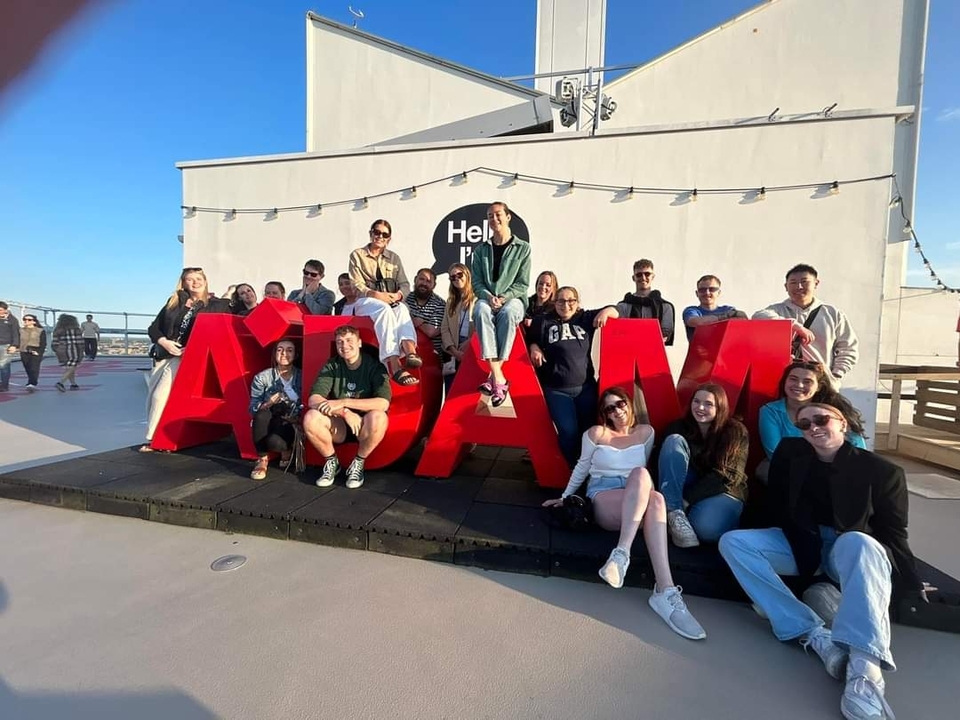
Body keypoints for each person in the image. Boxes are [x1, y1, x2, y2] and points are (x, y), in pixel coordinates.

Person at [719, 402, 926, 720]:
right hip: (804, 546)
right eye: (804, 424)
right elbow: (775, 506)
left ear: (843, 423)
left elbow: (894, 533)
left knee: (859, 542)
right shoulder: (792, 457)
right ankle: (812, 632)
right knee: (734, 543)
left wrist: (912, 582)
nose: (813, 427)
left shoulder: (883, 472)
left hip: (848, 552)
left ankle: (865, 669)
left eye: (821, 420)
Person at [542, 387, 706, 640]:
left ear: (629, 404)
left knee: (649, 488)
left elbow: (645, 469)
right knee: (649, 489)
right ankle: (628, 560)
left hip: (637, 495)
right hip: (605, 496)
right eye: (610, 408)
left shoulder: (645, 432)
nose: (617, 411)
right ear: (604, 414)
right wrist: (564, 497)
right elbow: (582, 467)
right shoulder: (597, 433)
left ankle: (663, 588)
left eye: (620, 404)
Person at [528, 286, 618, 466]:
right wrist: (534, 346)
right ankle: (573, 468)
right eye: (561, 301)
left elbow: (617, 310)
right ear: (555, 302)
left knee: (588, 432)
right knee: (568, 431)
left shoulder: (585, 318)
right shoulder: (544, 321)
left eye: (571, 301)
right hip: (557, 390)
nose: (566, 305)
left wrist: (606, 311)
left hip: (585, 388)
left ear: (577, 303)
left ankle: (586, 470)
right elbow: (529, 337)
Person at [143, 267, 228, 452]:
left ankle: (155, 438)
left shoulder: (213, 305)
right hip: (164, 354)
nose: (195, 282)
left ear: (205, 280)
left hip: (186, 357)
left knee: (160, 395)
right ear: (183, 283)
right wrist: (165, 342)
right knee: (152, 396)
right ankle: (157, 437)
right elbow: (154, 328)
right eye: (190, 279)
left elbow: (218, 328)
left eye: (198, 278)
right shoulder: (174, 302)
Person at [658, 383, 749, 548]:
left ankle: (688, 515)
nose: (700, 408)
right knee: (673, 441)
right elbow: (666, 465)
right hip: (686, 484)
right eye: (696, 401)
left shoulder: (735, 431)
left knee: (706, 530)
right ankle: (674, 513)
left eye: (708, 404)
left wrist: (687, 500)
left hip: (722, 489)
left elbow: (729, 476)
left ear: (720, 407)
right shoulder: (677, 427)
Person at [303, 325, 391, 490]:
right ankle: (332, 462)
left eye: (349, 340)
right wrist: (344, 412)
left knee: (379, 417)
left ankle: (358, 463)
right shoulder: (333, 365)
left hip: (365, 426)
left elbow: (383, 403)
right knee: (311, 418)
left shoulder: (374, 366)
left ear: (359, 343)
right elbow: (314, 399)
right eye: (340, 342)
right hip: (340, 425)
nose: (344, 346)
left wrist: (344, 402)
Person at [753, 264, 859, 386]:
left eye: (804, 282)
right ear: (786, 287)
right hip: (785, 382)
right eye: (793, 282)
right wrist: (794, 326)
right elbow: (758, 316)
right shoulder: (777, 310)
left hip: (821, 383)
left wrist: (835, 375)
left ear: (816, 283)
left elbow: (848, 348)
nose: (799, 287)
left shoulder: (832, 314)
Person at [471, 201, 531, 407]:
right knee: (480, 310)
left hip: (513, 300)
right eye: (490, 216)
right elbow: (476, 282)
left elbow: (522, 283)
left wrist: (504, 298)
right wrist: (488, 297)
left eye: (498, 214)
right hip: (487, 299)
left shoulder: (523, 248)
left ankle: (493, 376)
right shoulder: (480, 250)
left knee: (509, 313)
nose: (494, 219)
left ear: (508, 217)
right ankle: (499, 378)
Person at [348, 219, 420, 386]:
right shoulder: (357, 255)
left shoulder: (394, 258)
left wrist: (398, 295)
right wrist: (375, 294)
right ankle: (394, 365)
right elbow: (356, 284)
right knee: (383, 310)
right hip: (366, 301)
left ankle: (410, 351)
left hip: (390, 300)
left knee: (402, 309)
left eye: (384, 234)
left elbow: (405, 285)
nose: (380, 236)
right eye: (377, 232)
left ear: (389, 238)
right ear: (371, 233)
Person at [759, 360, 867, 463]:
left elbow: (858, 448)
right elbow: (775, 454)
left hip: (838, 466)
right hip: (792, 469)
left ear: (818, 387)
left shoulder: (834, 409)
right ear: (785, 382)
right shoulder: (771, 411)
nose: (799, 385)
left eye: (807, 381)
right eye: (793, 379)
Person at [248, 339, 303, 480]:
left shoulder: (302, 376)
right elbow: (253, 408)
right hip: (269, 419)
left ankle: (287, 449)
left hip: (289, 421)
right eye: (280, 350)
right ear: (275, 354)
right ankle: (262, 459)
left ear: (296, 355)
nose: (284, 353)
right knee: (260, 415)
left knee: (275, 443)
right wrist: (268, 403)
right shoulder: (262, 377)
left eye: (289, 350)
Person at [616, 259, 676, 345]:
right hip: (629, 349)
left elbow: (665, 334)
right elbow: (621, 332)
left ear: (653, 277)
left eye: (647, 274)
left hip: (655, 351)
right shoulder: (623, 306)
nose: (643, 278)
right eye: (639, 275)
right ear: (633, 278)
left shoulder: (665, 306)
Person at [440, 262, 475, 393]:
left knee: (470, 394)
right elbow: (444, 328)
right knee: (451, 392)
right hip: (453, 353)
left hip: (473, 350)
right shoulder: (451, 301)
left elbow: (485, 325)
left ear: (467, 275)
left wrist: (470, 342)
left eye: (459, 275)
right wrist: (454, 351)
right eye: (452, 277)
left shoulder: (479, 298)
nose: (456, 278)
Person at [681, 275, 747, 342]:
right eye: (702, 290)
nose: (707, 293)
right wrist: (726, 316)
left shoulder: (728, 309)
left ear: (719, 293)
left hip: (727, 348)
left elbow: (741, 322)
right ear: (697, 293)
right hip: (701, 349)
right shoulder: (692, 310)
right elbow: (697, 322)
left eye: (712, 289)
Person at [404, 268, 446, 356]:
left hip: (431, 355)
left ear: (434, 285)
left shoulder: (440, 304)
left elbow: (431, 332)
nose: (424, 283)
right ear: (415, 279)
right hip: (405, 352)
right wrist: (419, 322)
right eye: (421, 279)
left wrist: (413, 321)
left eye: (428, 281)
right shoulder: (405, 298)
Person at [51, 313, 85, 391]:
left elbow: (54, 342)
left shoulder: (57, 330)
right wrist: (82, 350)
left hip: (61, 351)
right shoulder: (76, 330)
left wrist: (56, 350)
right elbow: (80, 342)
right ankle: (61, 382)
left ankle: (73, 384)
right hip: (74, 350)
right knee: (72, 366)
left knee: (69, 367)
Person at [18, 314, 46, 390]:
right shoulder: (21, 330)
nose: (26, 321)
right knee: (27, 367)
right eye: (25, 319)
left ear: (34, 321)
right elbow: (17, 340)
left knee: (34, 368)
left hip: (35, 350)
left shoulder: (40, 330)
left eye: (29, 320)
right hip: (24, 350)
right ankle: (30, 381)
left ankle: (32, 383)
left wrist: (39, 352)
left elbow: (43, 343)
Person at [0, 301, 20, 391]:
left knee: (4, 366)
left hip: (6, 345)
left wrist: (14, 345)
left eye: (1, 310)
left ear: (5, 310)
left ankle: (4, 386)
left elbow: (16, 333)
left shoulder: (12, 320)